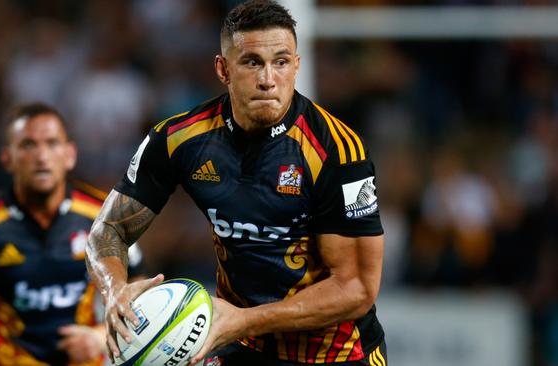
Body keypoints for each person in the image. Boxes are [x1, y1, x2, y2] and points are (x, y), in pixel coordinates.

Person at [85, 1, 387, 365]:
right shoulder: (178, 139)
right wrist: (115, 288)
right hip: (244, 347)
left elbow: (356, 289)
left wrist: (242, 321)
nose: (267, 79)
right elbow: (108, 231)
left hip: (336, 355)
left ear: (296, 66)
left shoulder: (338, 151)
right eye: (251, 62)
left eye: (281, 62)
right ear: (223, 69)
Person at [0, 103, 146, 366]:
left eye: (52, 143)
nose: (42, 156)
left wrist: (101, 335)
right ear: (7, 158)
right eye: (28, 145)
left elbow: (137, 279)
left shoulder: (104, 217)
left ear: (70, 154)